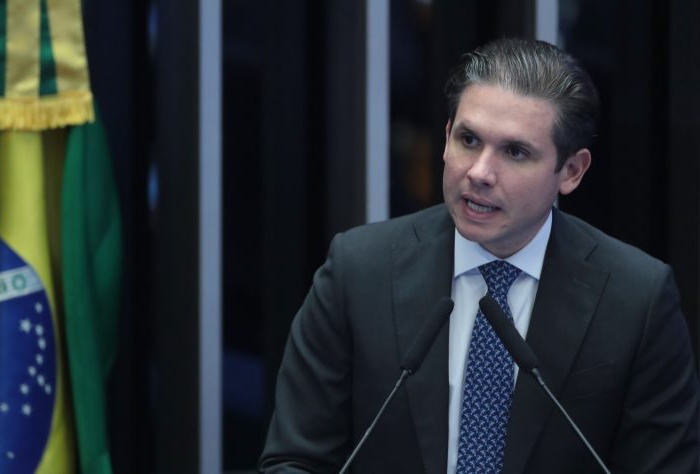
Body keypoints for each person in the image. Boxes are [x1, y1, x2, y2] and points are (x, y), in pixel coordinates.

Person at [258, 38, 699, 473]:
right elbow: (295, 460)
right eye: (469, 140)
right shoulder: (358, 271)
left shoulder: (636, 299)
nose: (480, 172)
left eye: (515, 152)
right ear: (446, 137)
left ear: (571, 171)